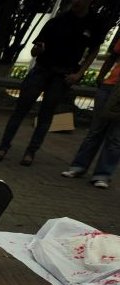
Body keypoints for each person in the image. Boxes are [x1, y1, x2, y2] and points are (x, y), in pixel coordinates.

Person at [0, 0, 104, 166]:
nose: (76, 2)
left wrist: (79, 74)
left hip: (63, 74)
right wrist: (38, 49)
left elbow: (94, 51)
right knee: (21, 110)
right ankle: (3, 146)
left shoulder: (93, 24)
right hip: (43, 68)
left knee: (46, 114)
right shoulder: (58, 20)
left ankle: (31, 152)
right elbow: (34, 50)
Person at [60, 35, 120, 189]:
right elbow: (113, 56)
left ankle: (102, 174)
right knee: (95, 130)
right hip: (110, 86)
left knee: (115, 138)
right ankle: (78, 167)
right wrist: (101, 77)